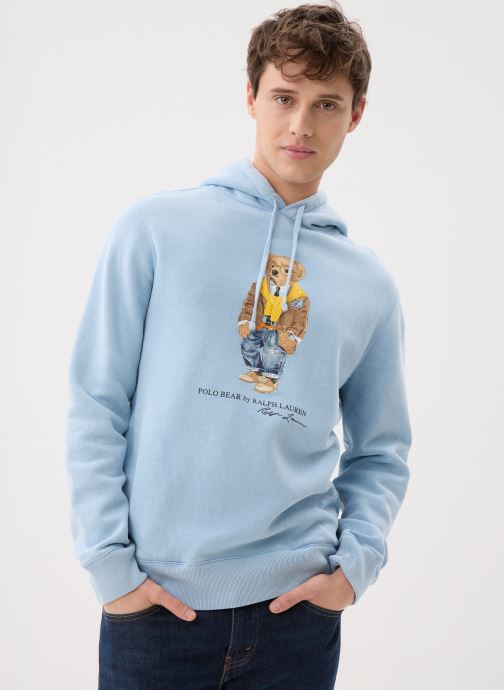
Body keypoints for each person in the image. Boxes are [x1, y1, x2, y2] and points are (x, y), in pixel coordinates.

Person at [65, 2, 413, 687]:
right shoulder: (156, 228)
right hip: (156, 609)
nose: (301, 124)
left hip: (296, 620)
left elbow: (382, 448)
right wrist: (110, 567)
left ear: (356, 115)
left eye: (326, 104)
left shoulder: (367, 283)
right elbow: (96, 400)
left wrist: (353, 568)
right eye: (284, 97)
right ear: (251, 96)